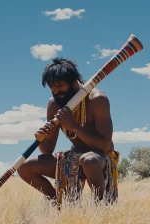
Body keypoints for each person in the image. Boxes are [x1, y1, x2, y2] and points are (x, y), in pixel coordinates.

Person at [17, 57, 120, 206]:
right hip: (72, 158)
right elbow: (47, 149)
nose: (57, 92)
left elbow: (104, 146)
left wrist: (74, 127)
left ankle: (101, 210)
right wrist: (42, 138)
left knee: (89, 160)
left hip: (100, 158)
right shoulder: (54, 105)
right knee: (25, 167)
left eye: (60, 86)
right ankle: (58, 204)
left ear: (74, 81)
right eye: (52, 87)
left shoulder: (97, 99)